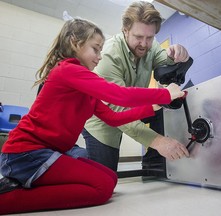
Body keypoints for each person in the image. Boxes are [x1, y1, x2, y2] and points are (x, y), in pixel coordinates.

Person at [0, 18, 186, 214]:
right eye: (95, 49)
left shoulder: (82, 85)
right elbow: (119, 95)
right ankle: (7, 200)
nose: (99, 56)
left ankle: (25, 184)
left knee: (110, 178)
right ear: (75, 43)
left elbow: (113, 118)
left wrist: (153, 107)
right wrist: (165, 94)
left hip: (44, 153)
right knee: (102, 188)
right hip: (25, 154)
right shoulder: (67, 70)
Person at [83, 1, 191, 171]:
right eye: (138, 37)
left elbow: (163, 60)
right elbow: (118, 112)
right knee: (105, 177)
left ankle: (153, 163)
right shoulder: (108, 57)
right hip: (103, 120)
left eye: (150, 37)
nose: (144, 44)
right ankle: (69, 157)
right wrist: (159, 142)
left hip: (132, 106)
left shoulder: (150, 45)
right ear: (125, 30)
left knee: (164, 104)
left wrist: (176, 54)